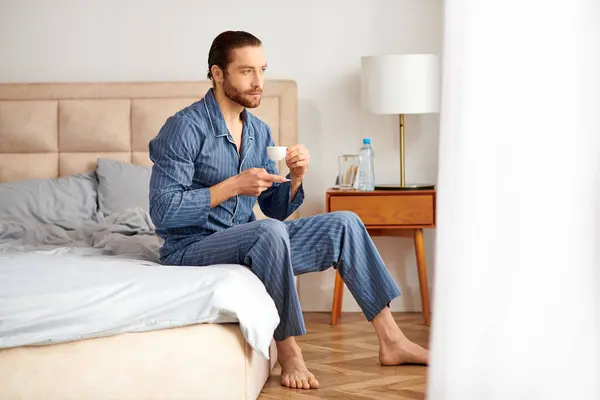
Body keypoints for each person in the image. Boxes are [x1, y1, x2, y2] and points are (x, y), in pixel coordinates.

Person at [148, 30, 429, 390]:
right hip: (190, 249)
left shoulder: (259, 132)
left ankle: (392, 341)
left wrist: (295, 178)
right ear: (217, 74)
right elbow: (163, 210)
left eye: (262, 70)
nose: (258, 82)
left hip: (250, 242)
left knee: (345, 223)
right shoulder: (184, 128)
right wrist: (233, 185)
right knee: (267, 232)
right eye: (246, 71)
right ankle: (289, 351)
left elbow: (275, 211)